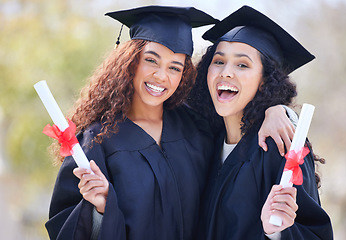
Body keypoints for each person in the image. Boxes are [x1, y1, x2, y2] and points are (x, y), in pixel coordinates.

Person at [44, 5, 297, 240]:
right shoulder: (97, 142)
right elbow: (65, 228)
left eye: (175, 67)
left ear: (185, 74)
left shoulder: (199, 128)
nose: (162, 76)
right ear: (129, 62)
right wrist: (100, 210)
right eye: (151, 60)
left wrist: (276, 110)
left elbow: (240, 127)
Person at [188, 5, 333, 240]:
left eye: (242, 65)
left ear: (264, 81)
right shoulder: (207, 142)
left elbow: (315, 234)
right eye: (218, 61)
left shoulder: (283, 145)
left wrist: (275, 232)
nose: (226, 72)